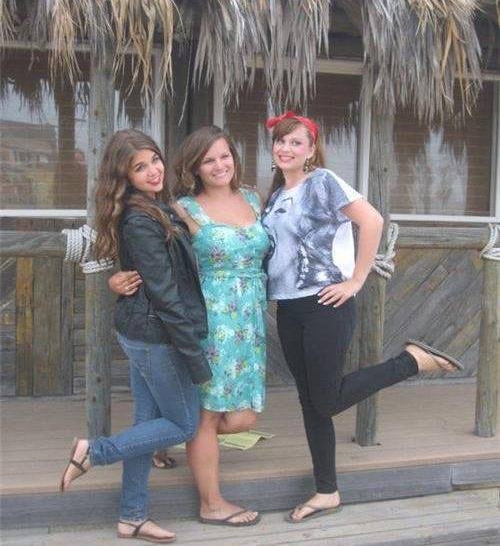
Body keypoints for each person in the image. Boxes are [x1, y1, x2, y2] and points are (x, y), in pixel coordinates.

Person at [260, 111, 464, 523]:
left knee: (326, 398)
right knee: (312, 403)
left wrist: (356, 280)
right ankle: (326, 490)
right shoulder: (276, 195)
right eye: (280, 141)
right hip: (288, 307)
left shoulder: (323, 182)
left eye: (296, 142)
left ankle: (409, 362)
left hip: (325, 303)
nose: (286, 148)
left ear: (311, 150)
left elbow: (372, 220)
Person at [110, 125, 270, 527]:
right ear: (194, 168)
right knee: (206, 414)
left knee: (243, 416)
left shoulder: (254, 198)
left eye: (224, 155)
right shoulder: (180, 208)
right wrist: (115, 276)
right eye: (207, 160)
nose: (218, 165)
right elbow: (147, 258)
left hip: (249, 320)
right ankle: (210, 502)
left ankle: (159, 444)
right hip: (207, 318)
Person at [59, 129, 212, 543]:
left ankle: (131, 517)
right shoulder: (141, 219)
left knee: (147, 424)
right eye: (140, 167)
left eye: (155, 160)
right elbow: (165, 295)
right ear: (124, 175)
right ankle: (94, 452)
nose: (153, 170)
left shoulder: (156, 206)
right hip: (158, 336)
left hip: (144, 332)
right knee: (183, 424)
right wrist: (195, 357)